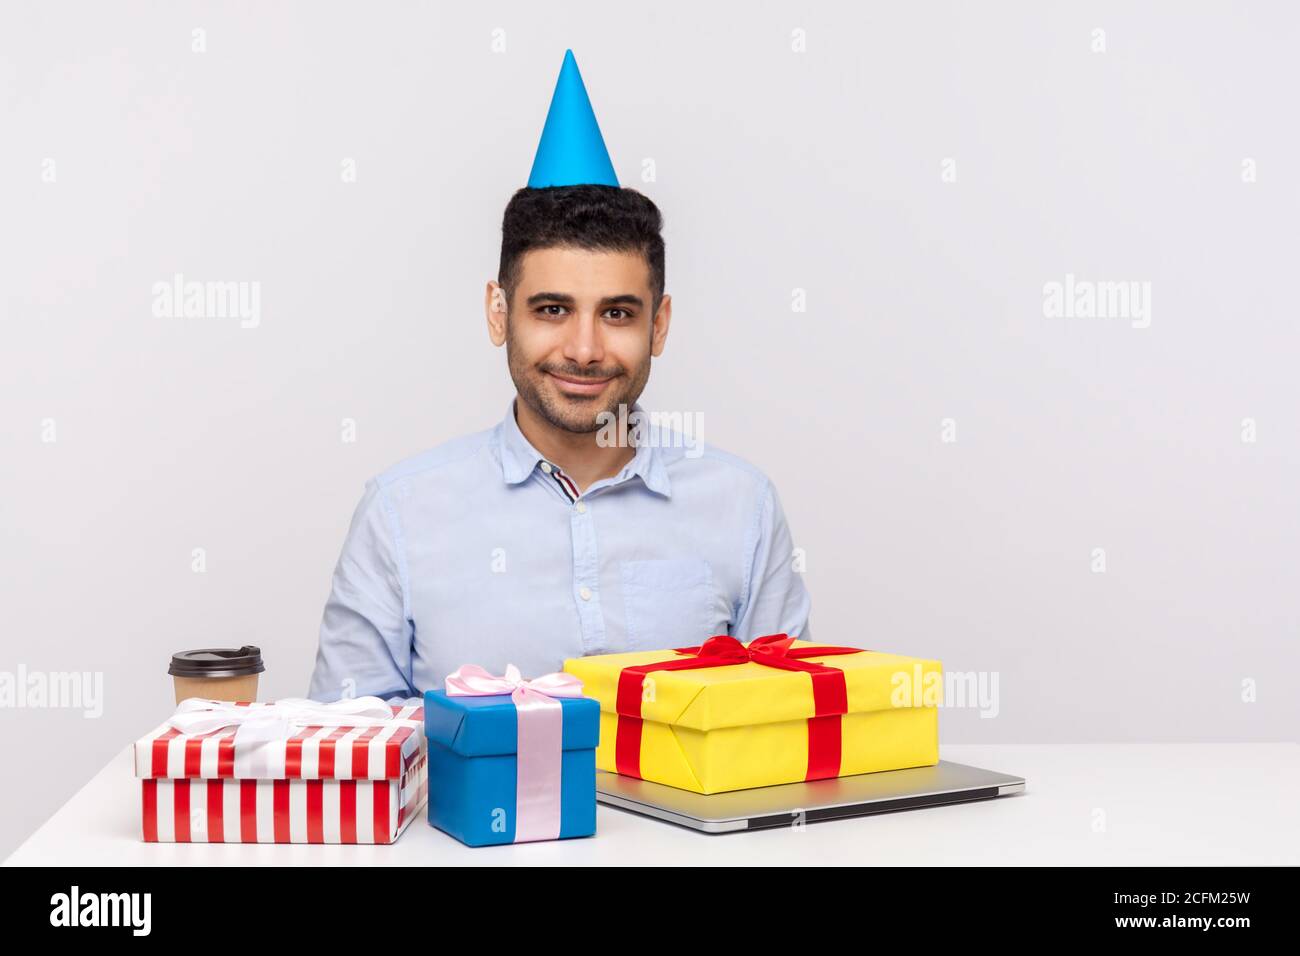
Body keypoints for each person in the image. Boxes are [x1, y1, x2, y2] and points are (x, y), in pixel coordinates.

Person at [308, 51, 810, 703]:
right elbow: (353, 753)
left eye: (618, 314)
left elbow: (780, 734)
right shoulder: (399, 514)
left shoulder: (743, 506)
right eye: (552, 310)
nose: (583, 348)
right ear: (499, 313)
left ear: (658, 326)